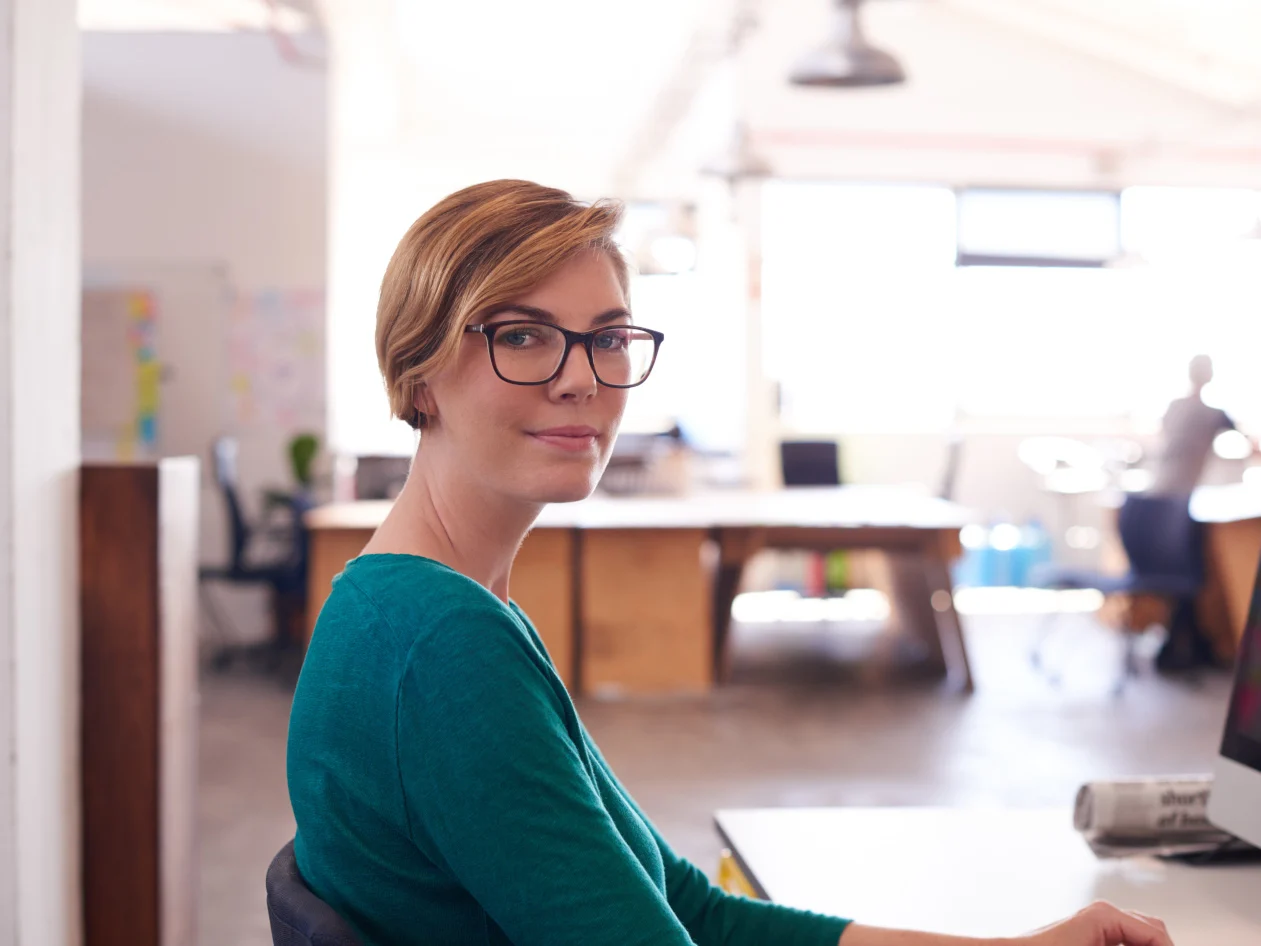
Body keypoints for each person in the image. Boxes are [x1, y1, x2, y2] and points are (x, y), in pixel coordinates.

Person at [286, 180, 1175, 946]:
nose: (580, 378)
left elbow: (694, 913)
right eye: (521, 335)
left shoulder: (405, 604)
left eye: (606, 337)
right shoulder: (443, 645)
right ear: (416, 372)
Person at [1148, 354, 1240, 498]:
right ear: (1210, 375)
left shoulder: (1175, 407)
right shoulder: (1214, 414)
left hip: (1163, 485)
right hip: (1178, 490)